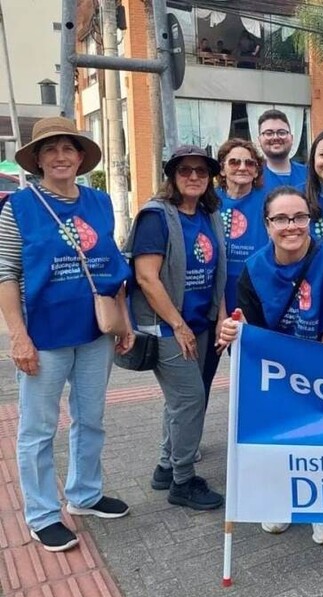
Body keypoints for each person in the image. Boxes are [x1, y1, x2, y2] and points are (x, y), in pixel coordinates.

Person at [0, 117, 134, 552]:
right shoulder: (18, 207)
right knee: (38, 430)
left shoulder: (99, 202)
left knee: (90, 419)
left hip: (95, 331)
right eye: (50, 149)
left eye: (68, 148)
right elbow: (5, 273)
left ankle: (85, 495)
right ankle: (42, 515)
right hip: (43, 336)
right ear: (37, 159)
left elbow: (113, 266)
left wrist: (124, 321)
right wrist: (17, 336)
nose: (60, 156)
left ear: (80, 158)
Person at [218, 186, 323, 544]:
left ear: (310, 220)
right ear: (267, 225)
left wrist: (318, 378)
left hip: (321, 361)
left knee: (321, 435)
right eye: (281, 219)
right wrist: (234, 331)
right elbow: (252, 331)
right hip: (276, 367)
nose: (291, 226)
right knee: (278, 434)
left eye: (299, 217)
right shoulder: (253, 270)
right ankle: (278, 500)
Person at [125, 145, 227, 511]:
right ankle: (183, 481)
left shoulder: (209, 215)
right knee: (190, 399)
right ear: (172, 176)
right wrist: (178, 325)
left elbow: (218, 272)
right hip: (168, 326)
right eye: (185, 170)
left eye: (202, 171)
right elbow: (146, 278)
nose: (194, 176)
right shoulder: (156, 216)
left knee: (180, 400)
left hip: (201, 321)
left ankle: (165, 467)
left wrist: (221, 316)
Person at [199, 139, 267, 407]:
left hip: (254, 306)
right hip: (210, 306)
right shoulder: (207, 203)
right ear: (222, 169)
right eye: (234, 162)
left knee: (254, 381)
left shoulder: (267, 202)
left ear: (257, 170)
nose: (242, 167)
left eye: (250, 163)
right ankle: (190, 433)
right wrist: (221, 313)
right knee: (200, 382)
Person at [258, 109, 307, 194]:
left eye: (282, 132)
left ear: (292, 138)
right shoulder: (253, 177)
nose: (276, 137)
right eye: (268, 133)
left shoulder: (309, 175)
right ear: (259, 140)